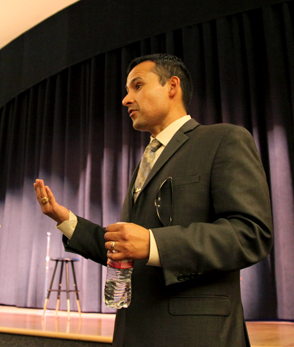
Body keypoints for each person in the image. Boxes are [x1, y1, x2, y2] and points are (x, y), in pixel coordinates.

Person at [34, 53, 273, 347]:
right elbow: (125, 247)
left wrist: (154, 244)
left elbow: (251, 234)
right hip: (133, 331)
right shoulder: (145, 162)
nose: (125, 99)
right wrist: (64, 219)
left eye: (137, 86)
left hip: (195, 335)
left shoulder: (223, 140)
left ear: (172, 86)